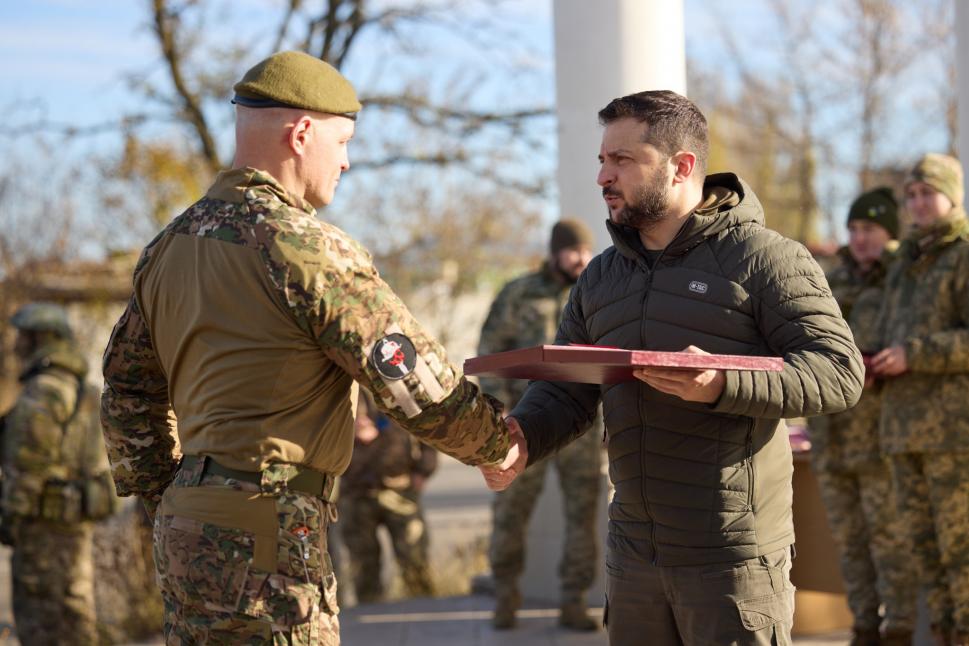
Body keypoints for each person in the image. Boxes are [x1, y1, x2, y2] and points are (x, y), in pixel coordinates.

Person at [100, 50, 515, 645]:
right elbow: (406, 375)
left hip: (187, 524)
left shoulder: (167, 247)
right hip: (272, 533)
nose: (346, 161)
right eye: (342, 142)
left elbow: (127, 391)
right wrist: (495, 445)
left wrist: (166, 495)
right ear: (301, 135)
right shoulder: (304, 247)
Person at [480, 90, 864, 645]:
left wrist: (725, 384)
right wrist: (523, 439)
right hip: (633, 557)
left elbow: (839, 371)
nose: (603, 177)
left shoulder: (767, 259)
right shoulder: (601, 277)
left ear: (682, 167)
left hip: (732, 560)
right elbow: (568, 389)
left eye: (623, 160)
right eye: (602, 160)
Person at [477, 218, 603, 631]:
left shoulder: (594, 292)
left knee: (582, 516)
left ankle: (573, 600)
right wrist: (500, 408)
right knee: (510, 513)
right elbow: (490, 350)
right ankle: (506, 596)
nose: (583, 259)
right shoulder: (518, 293)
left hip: (579, 429)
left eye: (586, 250)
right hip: (520, 425)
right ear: (554, 252)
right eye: (574, 251)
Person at [807, 188, 916, 646]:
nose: (859, 238)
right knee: (849, 544)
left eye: (869, 229)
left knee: (890, 541)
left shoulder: (902, 278)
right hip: (832, 435)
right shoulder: (831, 280)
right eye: (853, 229)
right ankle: (865, 628)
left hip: (880, 434)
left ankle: (902, 628)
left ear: (889, 232)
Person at [870, 153, 969, 646]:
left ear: (953, 194)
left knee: (963, 552)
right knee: (924, 550)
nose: (917, 203)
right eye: (910, 195)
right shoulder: (904, 261)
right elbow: (892, 329)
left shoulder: (965, 253)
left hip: (954, 433)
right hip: (901, 427)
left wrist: (916, 354)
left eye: (927, 192)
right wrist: (874, 363)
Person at [2, 302, 117, 646]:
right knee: (74, 615)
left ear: (42, 338)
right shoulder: (83, 390)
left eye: (23, 335)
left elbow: (27, 465)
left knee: (42, 624)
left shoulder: (44, 392)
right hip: (74, 525)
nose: (16, 342)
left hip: (42, 527)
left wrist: (10, 517)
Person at [339, 390, 437, 603]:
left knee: (414, 558)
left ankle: (425, 612)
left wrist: (424, 469)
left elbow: (428, 425)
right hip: (356, 491)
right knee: (363, 565)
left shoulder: (398, 380)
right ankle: (372, 620)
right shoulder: (342, 384)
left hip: (400, 488)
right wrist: (348, 430)